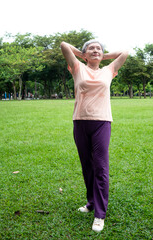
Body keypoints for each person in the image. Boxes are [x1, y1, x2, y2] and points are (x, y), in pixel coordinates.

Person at [60, 39, 128, 232]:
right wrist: (83, 56)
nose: (96, 50)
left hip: (102, 122)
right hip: (80, 122)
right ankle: (91, 203)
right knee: (87, 166)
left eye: (99, 48)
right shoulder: (78, 67)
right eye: (91, 48)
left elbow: (125, 52)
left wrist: (102, 56)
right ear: (84, 54)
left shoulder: (108, 70)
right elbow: (64, 45)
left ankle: (100, 214)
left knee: (100, 167)